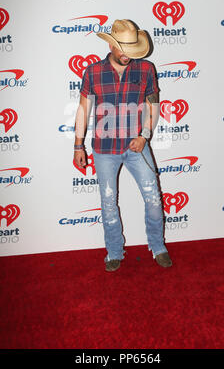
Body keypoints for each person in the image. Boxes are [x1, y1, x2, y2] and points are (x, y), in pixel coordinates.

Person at [74, 19, 172, 272]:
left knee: (153, 200)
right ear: (111, 45)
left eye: (131, 49)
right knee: (108, 202)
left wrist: (145, 135)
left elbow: (153, 105)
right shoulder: (93, 72)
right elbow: (83, 109)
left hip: (137, 146)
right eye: (122, 49)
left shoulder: (146, 69)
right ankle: (115, 251)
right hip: (103, 149)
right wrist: (77, 145)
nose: (127, 54)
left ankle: (158, 246)